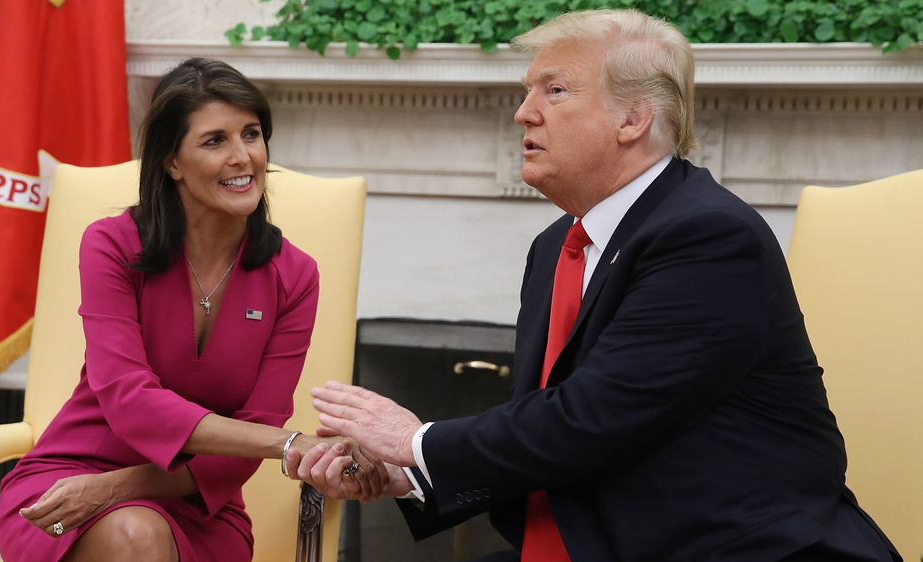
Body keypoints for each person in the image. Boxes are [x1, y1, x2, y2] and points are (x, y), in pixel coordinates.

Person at [289, 9, 901, 562]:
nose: (523, 112)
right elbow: (547, 425)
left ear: (633, 118)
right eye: (527, 90)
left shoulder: (709, 236)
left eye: (554, 90)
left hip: (728, 545)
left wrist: (413, 440)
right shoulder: (558, 243)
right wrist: (410, 474)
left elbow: (589, 421)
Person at [0, 58, 384, 562]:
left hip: (197, 501)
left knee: (137, 531)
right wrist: (290, 444)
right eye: (214, 140)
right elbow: (131, 401)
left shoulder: (295, 276)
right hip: (72, 476)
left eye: (251, 134)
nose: (243, 157)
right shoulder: (112, 245)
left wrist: (117, 489)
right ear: (171, 162)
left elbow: (254, 429)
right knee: (134, 534)